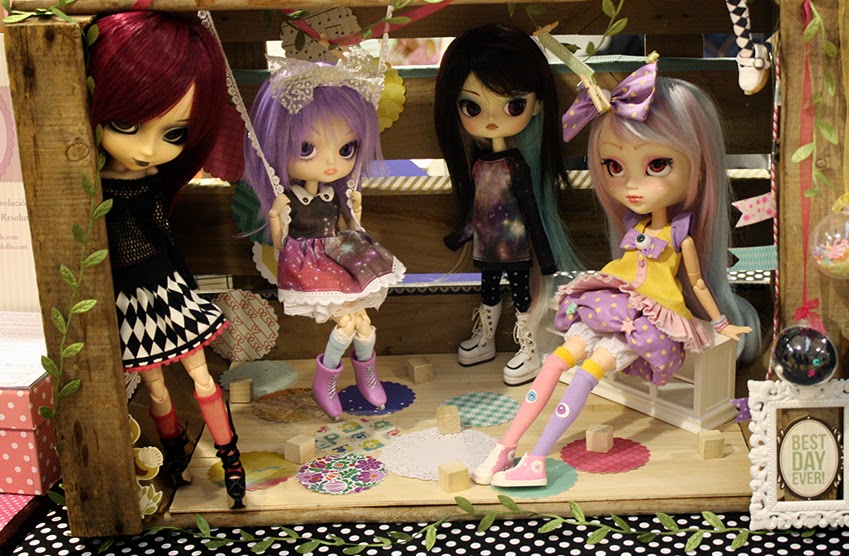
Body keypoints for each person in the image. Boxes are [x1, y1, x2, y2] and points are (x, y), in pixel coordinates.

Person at [475, 64, 761, 487]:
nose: (631, 185)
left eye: (657, 164)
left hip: (650, 317)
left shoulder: (679, 236)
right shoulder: (635, 225)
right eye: (613, 166)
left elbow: (698, 283)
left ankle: (536, 459)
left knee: (587, 375)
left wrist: (721, 323)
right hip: (612, 301)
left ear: (698, 165)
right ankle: (506, 446)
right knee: (554, 363)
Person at [90, 12, 245, 507]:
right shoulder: (92, 188)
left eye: (173, 134)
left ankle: (230, 458)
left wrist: (185, 286)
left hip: (167, 287)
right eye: (126, 124)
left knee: (202, 376)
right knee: (155, 387)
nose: (147, 149)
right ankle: (173, 451)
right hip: (128, 298)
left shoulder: (152, 183)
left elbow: (165, 236)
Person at [242, 51, 405, 421]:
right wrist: (275, 218)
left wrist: (356, 213)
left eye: (347, 149)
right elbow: (281, 243)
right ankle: (325, 381)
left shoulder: (335, 193)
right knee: (348, 323)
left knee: (363, 323)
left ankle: (365, 376)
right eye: (307, 148)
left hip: (342, 254)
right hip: (310, 263)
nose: (332, 163)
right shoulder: (290, 200)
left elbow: (350, 227)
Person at [434, 24, 582, 386]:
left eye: (514, 105)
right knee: (487, 293)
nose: (490, 119)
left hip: (516, 248)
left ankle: (529, 348)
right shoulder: (479, 165)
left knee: (522, 297)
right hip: (487, 246)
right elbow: (479, 208)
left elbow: (530, 209)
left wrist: (543, 253)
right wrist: (463, 233)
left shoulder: (515, 166)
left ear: (537, 104)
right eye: (471, 106)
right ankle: (485, 339)